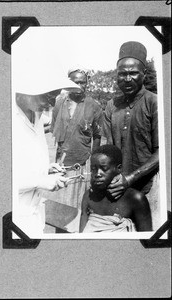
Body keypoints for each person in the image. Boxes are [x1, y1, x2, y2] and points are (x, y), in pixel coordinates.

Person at [12, 78, 83, 238]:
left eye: (56, 96)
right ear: (27, 89)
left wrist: (46, 169)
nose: (52, 102)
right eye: (47, 95)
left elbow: (24, 162)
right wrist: (41, 180)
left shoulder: (36, 114)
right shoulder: (7, 120)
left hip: (34, 213)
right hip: (14, 216)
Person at [102, 41, 160, 230]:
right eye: (122, 73)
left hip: (147, 189)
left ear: (143, 74)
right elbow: (108, 150)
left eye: (133, 73)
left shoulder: (154, 103)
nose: (127, 79)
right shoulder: (111, 105)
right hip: (117, 189)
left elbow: (162, 153)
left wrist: (131, 178)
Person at [47, 68, 103, 208]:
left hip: (81, 166)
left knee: (78, 207)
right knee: (59, 209)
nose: (79, 85)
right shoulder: (59, 103)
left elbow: (97, 137)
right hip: (60, 165)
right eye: (74, 82)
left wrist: (93, 167)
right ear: (68, 83)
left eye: (82, 82)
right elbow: (55, 128)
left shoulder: (94, 106)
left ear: (87, 83)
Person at [79, 145, 152, 233]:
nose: (97, 174)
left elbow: (146, 239)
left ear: (119, 168)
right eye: (93, 169)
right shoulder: (88, 196)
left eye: (104, 169)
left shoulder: (135, 198)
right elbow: (82, 236)